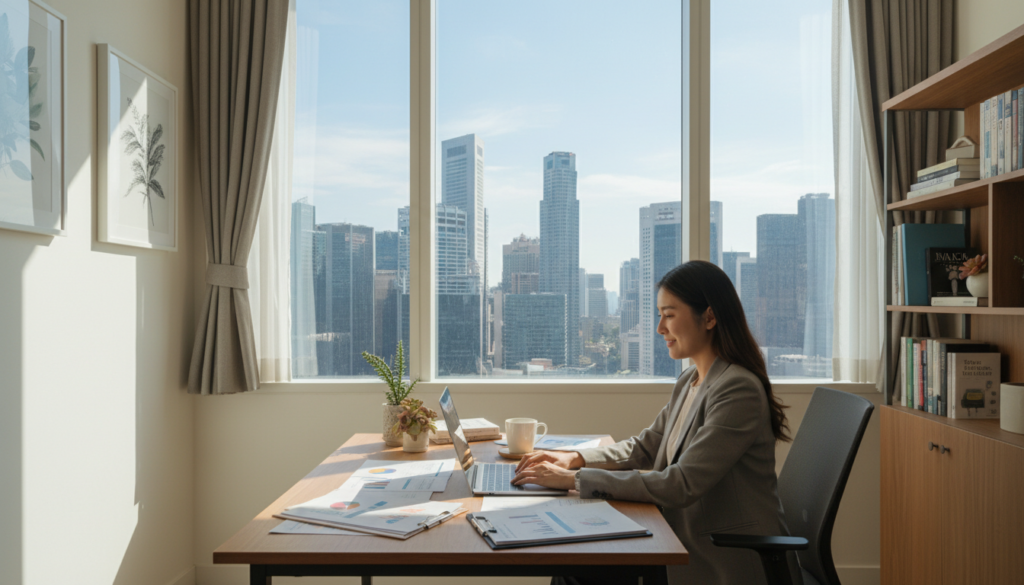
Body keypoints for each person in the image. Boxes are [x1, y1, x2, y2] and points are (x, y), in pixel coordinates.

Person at [513, 260, 801, 585]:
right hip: (675, 536)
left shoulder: (738, 389)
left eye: (669, 315)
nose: (659, 328)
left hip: (721, 556)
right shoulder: (692, 379)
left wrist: (573, 479)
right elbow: (646, 447)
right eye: (659, 315)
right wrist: (573, 458)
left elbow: (680, 484)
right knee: (575, 564)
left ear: (709, 317)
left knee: (577, 572)